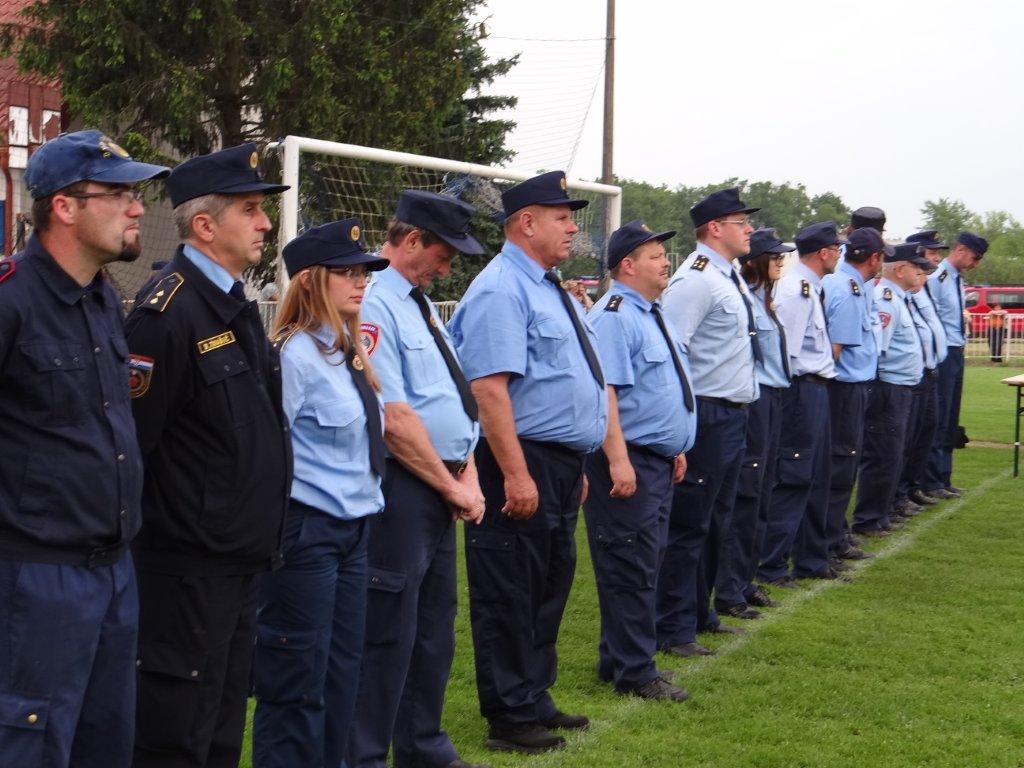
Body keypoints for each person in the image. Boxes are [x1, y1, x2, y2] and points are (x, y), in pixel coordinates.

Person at [0, 130, 167, 768]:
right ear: (64, 207)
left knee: (104, 744)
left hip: (112, 573)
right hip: (36, 579)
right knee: (29, 744)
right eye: (119, 193)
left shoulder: (101, 296)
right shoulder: (13, 299)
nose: (137, 208)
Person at [125, 143, 292, 768]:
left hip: (239, 564)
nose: (266, 224)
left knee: (222, 727)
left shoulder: (233, 304)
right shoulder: (165, 314)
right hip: (186, 572)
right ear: (203, 225)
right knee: (176, 734)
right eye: (250, 210)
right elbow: (135, 449)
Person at [449, 171, 608, 753]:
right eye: (562, 216)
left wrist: (576, 461)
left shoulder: (544, 284)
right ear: (526, 223)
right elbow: (490, 390)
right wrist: (516, 473)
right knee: (510, 587)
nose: (572, 226)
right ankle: (510, 716)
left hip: (558, 463)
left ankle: (534, 695)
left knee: (548, 582)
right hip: (519, 458)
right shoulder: (501, 289)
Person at [348, 191, 489, 768]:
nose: (447, 267)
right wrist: (450, 482)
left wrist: (468, 472)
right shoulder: (377, 301)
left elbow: (455, 400)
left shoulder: (422, 304)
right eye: (443, 254)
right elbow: (393, 417)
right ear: (410, 241)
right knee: (386, 631)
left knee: (433, 629)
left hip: (442, 482)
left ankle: (423, 747)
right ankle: (363, 755)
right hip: (404, 487)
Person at [252, 219, 388, 768]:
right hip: (306, 533)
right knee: (297, 677)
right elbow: (266, 458)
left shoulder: (345, 348)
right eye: (347, 273)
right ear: (310, 280)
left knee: (341, 671)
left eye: (364, 272)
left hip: (353, 533)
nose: (360, 283)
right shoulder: (292, 354)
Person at [585, 220, 695, 703]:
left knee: (643, 560)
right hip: (628, 460)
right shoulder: (614, 314)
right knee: (630, 564)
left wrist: (674, 447)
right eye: (655, 255)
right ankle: (636, 671)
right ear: (627, 265)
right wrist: (619, 459)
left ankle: (618, 658)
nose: (665, 261)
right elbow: (604, 393)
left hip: (655, 459)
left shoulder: (650, 312)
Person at [657, 187, 760, 658]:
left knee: (717, 519)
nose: (750, 230)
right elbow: (672, 351)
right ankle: (673, 627)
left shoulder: (728, 275)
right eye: (742, 222)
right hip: (707, 411)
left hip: (732, 413)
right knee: (689, 523)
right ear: (715, 229)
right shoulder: (697, 279)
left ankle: (701, 613)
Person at [715, 228, 793, 619]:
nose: (780, 262)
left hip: (775, 398)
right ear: (754, 263)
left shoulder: (764, 301)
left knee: (762, 493)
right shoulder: (745, 299)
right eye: (773, 256)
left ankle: (745, 580)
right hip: (756, 399)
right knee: (746, 495)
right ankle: (729, 589)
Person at [758, 221, 840, 585]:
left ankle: (810, 559)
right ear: (824, 253)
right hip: (800, 390)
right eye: (836, 248)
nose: (840, 253)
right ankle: (772, 563)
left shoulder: (810, 287)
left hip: (816, 390)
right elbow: (785, 354)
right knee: (792, 475)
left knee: (815, 477)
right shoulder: (797, 290)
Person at [851, 244, 930, 536]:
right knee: (882, 455)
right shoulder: (886, 299)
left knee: (894, 454)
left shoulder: (899, 298)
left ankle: (880, 514)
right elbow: (878, 349)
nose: (921, 273)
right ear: (899, 269)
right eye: (916, 267)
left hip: (901, 386)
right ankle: (869, 518)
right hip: (888, 387)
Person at [820, 228, 886, 566]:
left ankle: (834, 536)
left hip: (845, 387)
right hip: (844, 388)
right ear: (873, 258)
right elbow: (835, 350)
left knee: (841, 465)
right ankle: (829, 543)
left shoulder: (845, 284)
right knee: (841, 466)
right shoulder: (848, 289)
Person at [924, 232, 988, 499]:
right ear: (961, 250)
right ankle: (931, 481)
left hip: (957, 351)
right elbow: (931, 317)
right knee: (939, 415)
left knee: (950, 418)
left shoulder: (955, 280)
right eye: (975, 258)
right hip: (944, 353)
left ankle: (944, 477)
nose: (976, 264)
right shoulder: (938, 278)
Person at [897, 230, 950, 510]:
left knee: (924, 434)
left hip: (929, 372)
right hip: (910, 377)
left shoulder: (923, 290)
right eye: (929, 256)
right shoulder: (903, 295)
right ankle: (899, 494)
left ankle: (912, 487)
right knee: (904, 440)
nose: (934, 262)